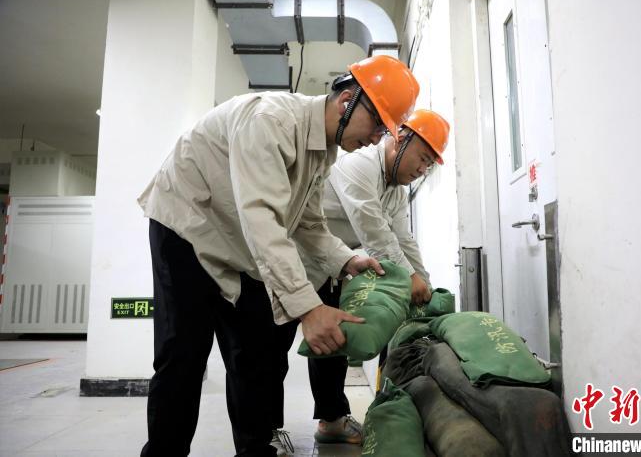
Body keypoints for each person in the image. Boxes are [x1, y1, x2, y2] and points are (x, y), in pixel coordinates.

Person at [136, 55, 420, 457]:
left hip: (238, 244)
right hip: (187, 230)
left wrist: (344, 259)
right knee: (182, 357)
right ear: (347, 101)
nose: (377, 139)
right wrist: (309, 309)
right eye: (377, 125)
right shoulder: (269, 121)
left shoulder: (323, 151)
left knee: (254, 356)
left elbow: (306, 222)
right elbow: (262, 221)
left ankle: (256, 450)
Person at [298, 109, 450, 445]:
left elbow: (402, 237)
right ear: (399, 139)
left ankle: (331, 421)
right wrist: (408, 278)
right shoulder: (359, 165)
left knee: (333, 341)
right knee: (269, 346)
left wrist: (423, 279)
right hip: (295, 257)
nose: (422, 170)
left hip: (331, 263)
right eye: (422, 159)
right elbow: (373, 231)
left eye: (428, 166)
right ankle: (262, 433)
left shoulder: (394, 189)